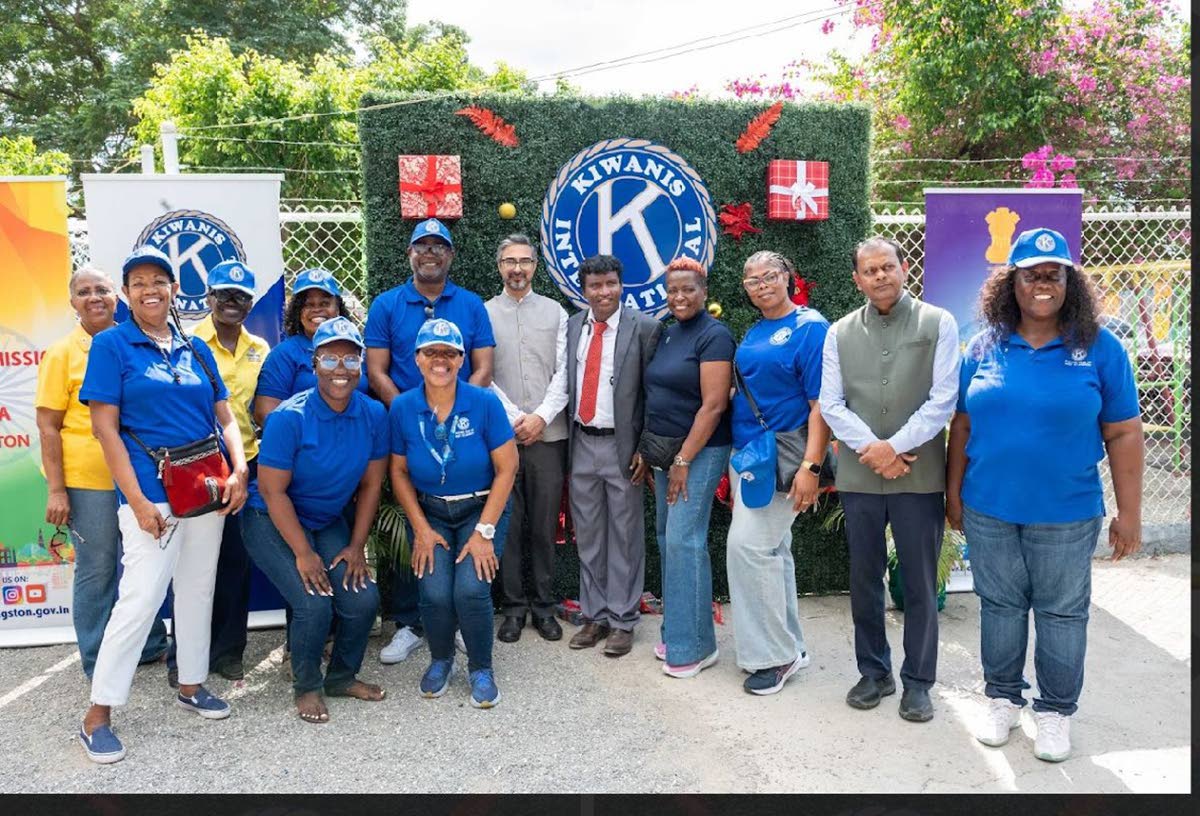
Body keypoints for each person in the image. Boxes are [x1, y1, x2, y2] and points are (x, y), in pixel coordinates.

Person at [948, 227, 1143, 762]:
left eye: (1052, 275)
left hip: (1066, 512)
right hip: (990, 507)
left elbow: (1124, 432)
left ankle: (1055, 712)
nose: (1041, 284)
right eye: (1030, 275)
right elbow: (961, 426)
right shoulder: (984, 345)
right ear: (1010, 283)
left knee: (1060, 614)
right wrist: (953, 493)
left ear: (1069, 282)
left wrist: (1130, 514)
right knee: (1001, 607)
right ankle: (1002, 699)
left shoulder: (1101, 348)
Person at [76, 245, 249, 764]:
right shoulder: (112, 346)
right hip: (153, 497)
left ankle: (192, 684)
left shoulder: (194, 348)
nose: (150, 289)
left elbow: (225, 417)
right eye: (139, 282)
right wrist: (136, 500)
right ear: (126, 294)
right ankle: (97, 713)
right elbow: (104, 427)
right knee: (141, 598)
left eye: (160, 280)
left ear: (175, 289)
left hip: (207, 491)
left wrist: (239, 470)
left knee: (198, 590)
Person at [819, 237, 960, 722]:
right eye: (869, 270)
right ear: (857, 279)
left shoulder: (937, 323)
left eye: (887, 267)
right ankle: (874, 673)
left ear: (904, 270)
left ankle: (918, 682)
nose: (879, 276)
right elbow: (832, 404)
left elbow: (943, 399)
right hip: (860, 476)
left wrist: (893, 447)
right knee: (863, 579)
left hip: (917, 477)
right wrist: (876, 453)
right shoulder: (838, 333)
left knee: (919, 583)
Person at [241, 317, 387, 724]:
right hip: (269, 517)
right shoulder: (290, 416)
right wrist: (304, 554)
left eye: (349, 358)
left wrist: (356, 546)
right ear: (313, 363)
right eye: (329, 358)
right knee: (312, 603)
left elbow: (372, 486)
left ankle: (341, 677)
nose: (340, 368)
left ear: (361, 362)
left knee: (361, 600)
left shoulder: (374, 414)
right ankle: (307, 685)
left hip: (324, 519)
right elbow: (272, 491)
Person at [366, 218, 495, 665]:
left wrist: (458, 410)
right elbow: (376, 371)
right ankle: (408, 622)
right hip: (405, 428)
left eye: (440, 247)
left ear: (450, 256)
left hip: (464, 427)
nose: (431, 253)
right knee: (409, 527)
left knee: (459, 521)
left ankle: (456, 621)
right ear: (410, 253)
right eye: (422, 246)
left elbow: (482, 367)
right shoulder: (386, 305)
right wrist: (413, 411)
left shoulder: (472, 304)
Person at [35, 266, 168, 679]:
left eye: (103, 290)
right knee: (99, 567)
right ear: (72, 302)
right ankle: (96, 658)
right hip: (88, 481)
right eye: (84, 292)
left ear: (118, 297)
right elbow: (47, 425)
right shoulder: (62, 354)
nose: (94, 298)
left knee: (142, 564)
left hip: (139, 476)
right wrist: (57, 490)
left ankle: (147, 645)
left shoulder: (136, 342)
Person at [388, 318, 517, 707]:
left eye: (449, 353)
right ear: (417, 359)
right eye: (431, 352)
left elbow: (507, 468)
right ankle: (441, 659)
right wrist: (421, 529)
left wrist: (484, 532)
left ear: (462, 359)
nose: (440, 361)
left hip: (482, 507)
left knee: (471, 588)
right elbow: (397, 470)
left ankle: (480, 667)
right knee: (434, 590)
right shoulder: (403, 407)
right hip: (431, 513)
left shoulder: (484, 403)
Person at [726, 250, 831, 695]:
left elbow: (821, 404)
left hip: (784, 457)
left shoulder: (810, 328)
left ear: (788, 276)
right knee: (774, 552)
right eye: (751, 280)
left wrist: (812, 466)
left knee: (748, 548)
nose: (760, 284)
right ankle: (791, 646)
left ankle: (774, 657)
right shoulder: (756, 330)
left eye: (769, 275)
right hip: (749, 456)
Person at [164, 260, 270, 687]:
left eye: (240, 296)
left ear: (250, 304)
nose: (231, 302)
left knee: (235, 563)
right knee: (191, 563)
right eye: (223, 294)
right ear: (207, 299)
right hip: (197, 466)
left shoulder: (260, 349)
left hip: (247, 464)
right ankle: (183, 658)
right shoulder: (186, 344)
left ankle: (228, 653)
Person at [636, 257, 733, 677]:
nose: (679, 297)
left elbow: (713, 406)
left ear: (704, 291)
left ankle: (694, 646)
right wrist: (650, 452)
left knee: (684, 541)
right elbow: (655, 395)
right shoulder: (668, 332)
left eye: (688, 289)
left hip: (699, 452)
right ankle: (680, 630)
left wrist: (682, 461)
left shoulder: (715, 336)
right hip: (664, 453)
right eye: (672, 290)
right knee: (667, 538)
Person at [565, 254, 662, 657]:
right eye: (594, 286)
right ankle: (595, 615)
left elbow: (656, 393)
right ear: (583, 291)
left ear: (621, 285)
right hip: (581, 442)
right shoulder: (573, 327)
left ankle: (623, 619)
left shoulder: (645, 328)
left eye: (610, 284)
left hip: (622, 447)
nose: (603, 293)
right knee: (588, 535)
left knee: (624, 535)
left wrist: (645, 446)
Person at [485, 235, 569, 643]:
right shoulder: (483, 314)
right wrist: (516, 418)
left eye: (524, 261)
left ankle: (544, 606)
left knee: (542, 525)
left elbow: (564, 373)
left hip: (548, 436)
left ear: (536, 266)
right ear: (499, 266)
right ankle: (514, 608)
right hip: (501, 438)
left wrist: (540, 417)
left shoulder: (556, 312)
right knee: (510, 524)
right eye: (508, 261)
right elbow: (483, 375)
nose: (516, 268)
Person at [254, 267, 365, 428]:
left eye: (325, 303)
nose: (317, 309)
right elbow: (265, 413)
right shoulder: (284, 354)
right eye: (308, 304)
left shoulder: (357, 349)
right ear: (297, 312)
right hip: (307, 446)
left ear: (338, 308)